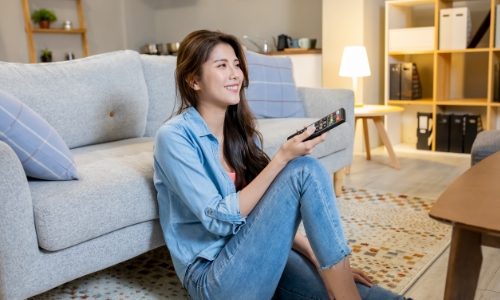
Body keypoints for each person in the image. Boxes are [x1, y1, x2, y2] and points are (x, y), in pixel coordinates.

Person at [153, 30, 412, 300]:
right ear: (194, 80)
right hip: (213, 279)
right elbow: (219, 220)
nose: (235, 74)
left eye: (237, 64)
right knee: (303, 169)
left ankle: (346, 288)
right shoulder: (174, 138)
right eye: (221, 65)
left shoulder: (241, 133)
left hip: (252, 252)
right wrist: (281, 158)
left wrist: (319, 259)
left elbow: (263, 215)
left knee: (371, 293)